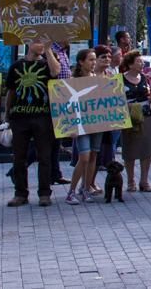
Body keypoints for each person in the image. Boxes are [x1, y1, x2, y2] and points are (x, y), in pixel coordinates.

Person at [4, 37, 63, 208]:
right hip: (20, 117)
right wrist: (7, 115)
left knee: (44, 156)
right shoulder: (16, 66)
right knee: (19, 157)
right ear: (29, 44)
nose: (41, 45)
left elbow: (55, 72)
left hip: (43, 117)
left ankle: (44, 193)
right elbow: (11, 92)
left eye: (43, 43)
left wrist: (49, 50)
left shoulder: (47, 63)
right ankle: (20, 193)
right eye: (38, 42)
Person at [63, 49, 106, 205]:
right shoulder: (73, 80)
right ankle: (71, 191)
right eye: (90, 60)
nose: (93, 63)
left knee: (93, 155)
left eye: (94, 60)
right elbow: (67, 105)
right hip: (81, 124)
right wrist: (70, 126)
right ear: (81, 62)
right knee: (84, 157)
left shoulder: (98, 78)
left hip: (96, 123)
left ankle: (86, 188)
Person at [120, 51, 151, 193]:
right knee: (129, 149)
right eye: (138, 62)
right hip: (129, 118)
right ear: (130, 64)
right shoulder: (120, 79)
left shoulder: (145, 78)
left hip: (147, 115)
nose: (142, 64)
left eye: (142, 61)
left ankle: (144, 181)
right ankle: (130, 181)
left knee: (146, 149)